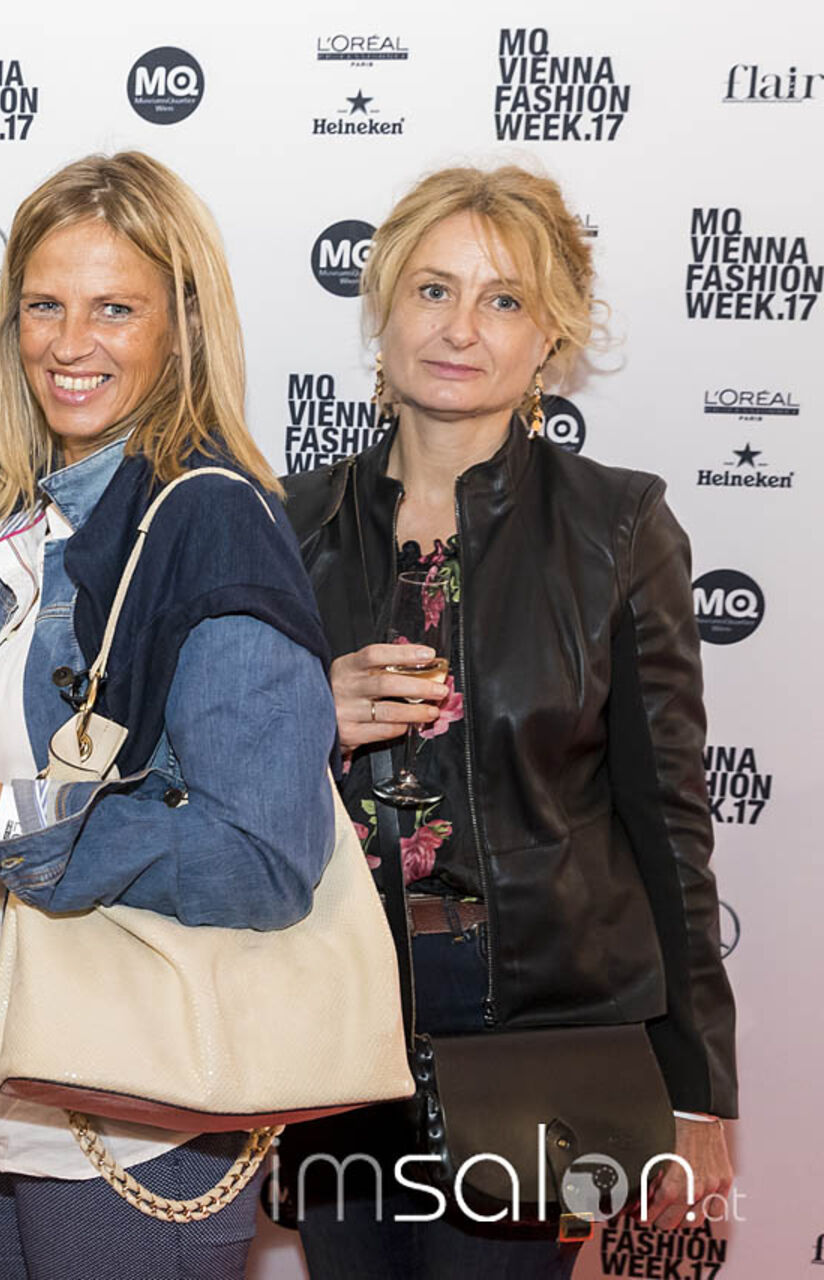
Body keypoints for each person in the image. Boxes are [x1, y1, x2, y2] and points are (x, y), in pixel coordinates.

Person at [0, 152, 338, 1279]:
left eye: (114, 308)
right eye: (43, 305)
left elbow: (261, 856)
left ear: (182, 327)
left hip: (133, 1106)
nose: (68, 341)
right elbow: (3, 762)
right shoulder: (23, 519)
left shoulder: (210, 523)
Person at [278, 165, 738, 1278]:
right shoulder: (287, 522)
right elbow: (218, 789)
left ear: (550, 340)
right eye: (433, 289)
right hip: (336, 1036)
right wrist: (303, 717)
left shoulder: (616, 526)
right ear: (383, 309)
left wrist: (696, 1085)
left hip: (544, 1047)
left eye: (504, 300)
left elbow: (669, 822)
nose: (461, 329)